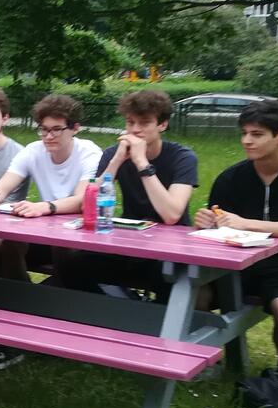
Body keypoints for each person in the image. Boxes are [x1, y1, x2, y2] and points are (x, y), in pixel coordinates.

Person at [194, 99, 278, 372]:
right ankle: (203, 361)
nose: (247, 141)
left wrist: (248, 224)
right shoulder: (231, 178)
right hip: (233, 263)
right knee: (192, 292)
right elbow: (218, 227)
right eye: (244, 133)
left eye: (256, 134)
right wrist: (205, 223)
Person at [60, 90, 199, 297]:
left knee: (168, 277)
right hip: (128, 242)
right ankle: (113, 310)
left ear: (162, 125)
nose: (135, 130)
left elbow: (172, 215)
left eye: (144, 123)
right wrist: (116, 161)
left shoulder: (183, 157)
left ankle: (150, 315)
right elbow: (89, 205)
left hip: (169, 248)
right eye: (130, 122)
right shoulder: (113, 154)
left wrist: (142, 163)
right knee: (73, 265)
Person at [0, 94, 102, 218]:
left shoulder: (89, 153)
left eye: (57, 130)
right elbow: (2, 187)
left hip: (82, 225)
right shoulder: (33, 151)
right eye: (44, 129)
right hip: (47, 223)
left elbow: (83, 200)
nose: (49, 136)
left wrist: (45, 207)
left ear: (75, 128)